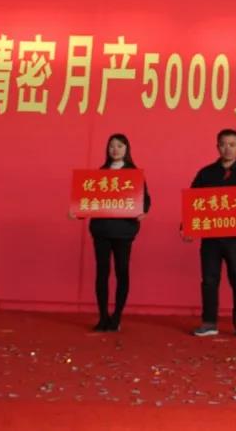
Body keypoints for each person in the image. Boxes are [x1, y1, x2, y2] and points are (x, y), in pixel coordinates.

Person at [187, 129, 236, 338]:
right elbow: (193, 202)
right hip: (211, 238)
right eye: (223, 144)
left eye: (232, 144)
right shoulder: (206, 173)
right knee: (209, 280)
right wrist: (187, 226)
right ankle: (209, 322)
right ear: (217, 147)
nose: (227, 148)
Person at [82, 133, 151, 332]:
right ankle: (103, 316)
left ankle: (117, 316)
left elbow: (145, 200)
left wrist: (143, 212)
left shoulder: (134, 173)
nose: (115, 149)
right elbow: (88, 199)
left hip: (124, 231)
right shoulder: (101, 173)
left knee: (122, 271)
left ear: (126, 149)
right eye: (111, 146)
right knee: (102, 272)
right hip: (102, 230)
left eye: (120, 146)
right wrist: (77, 210)